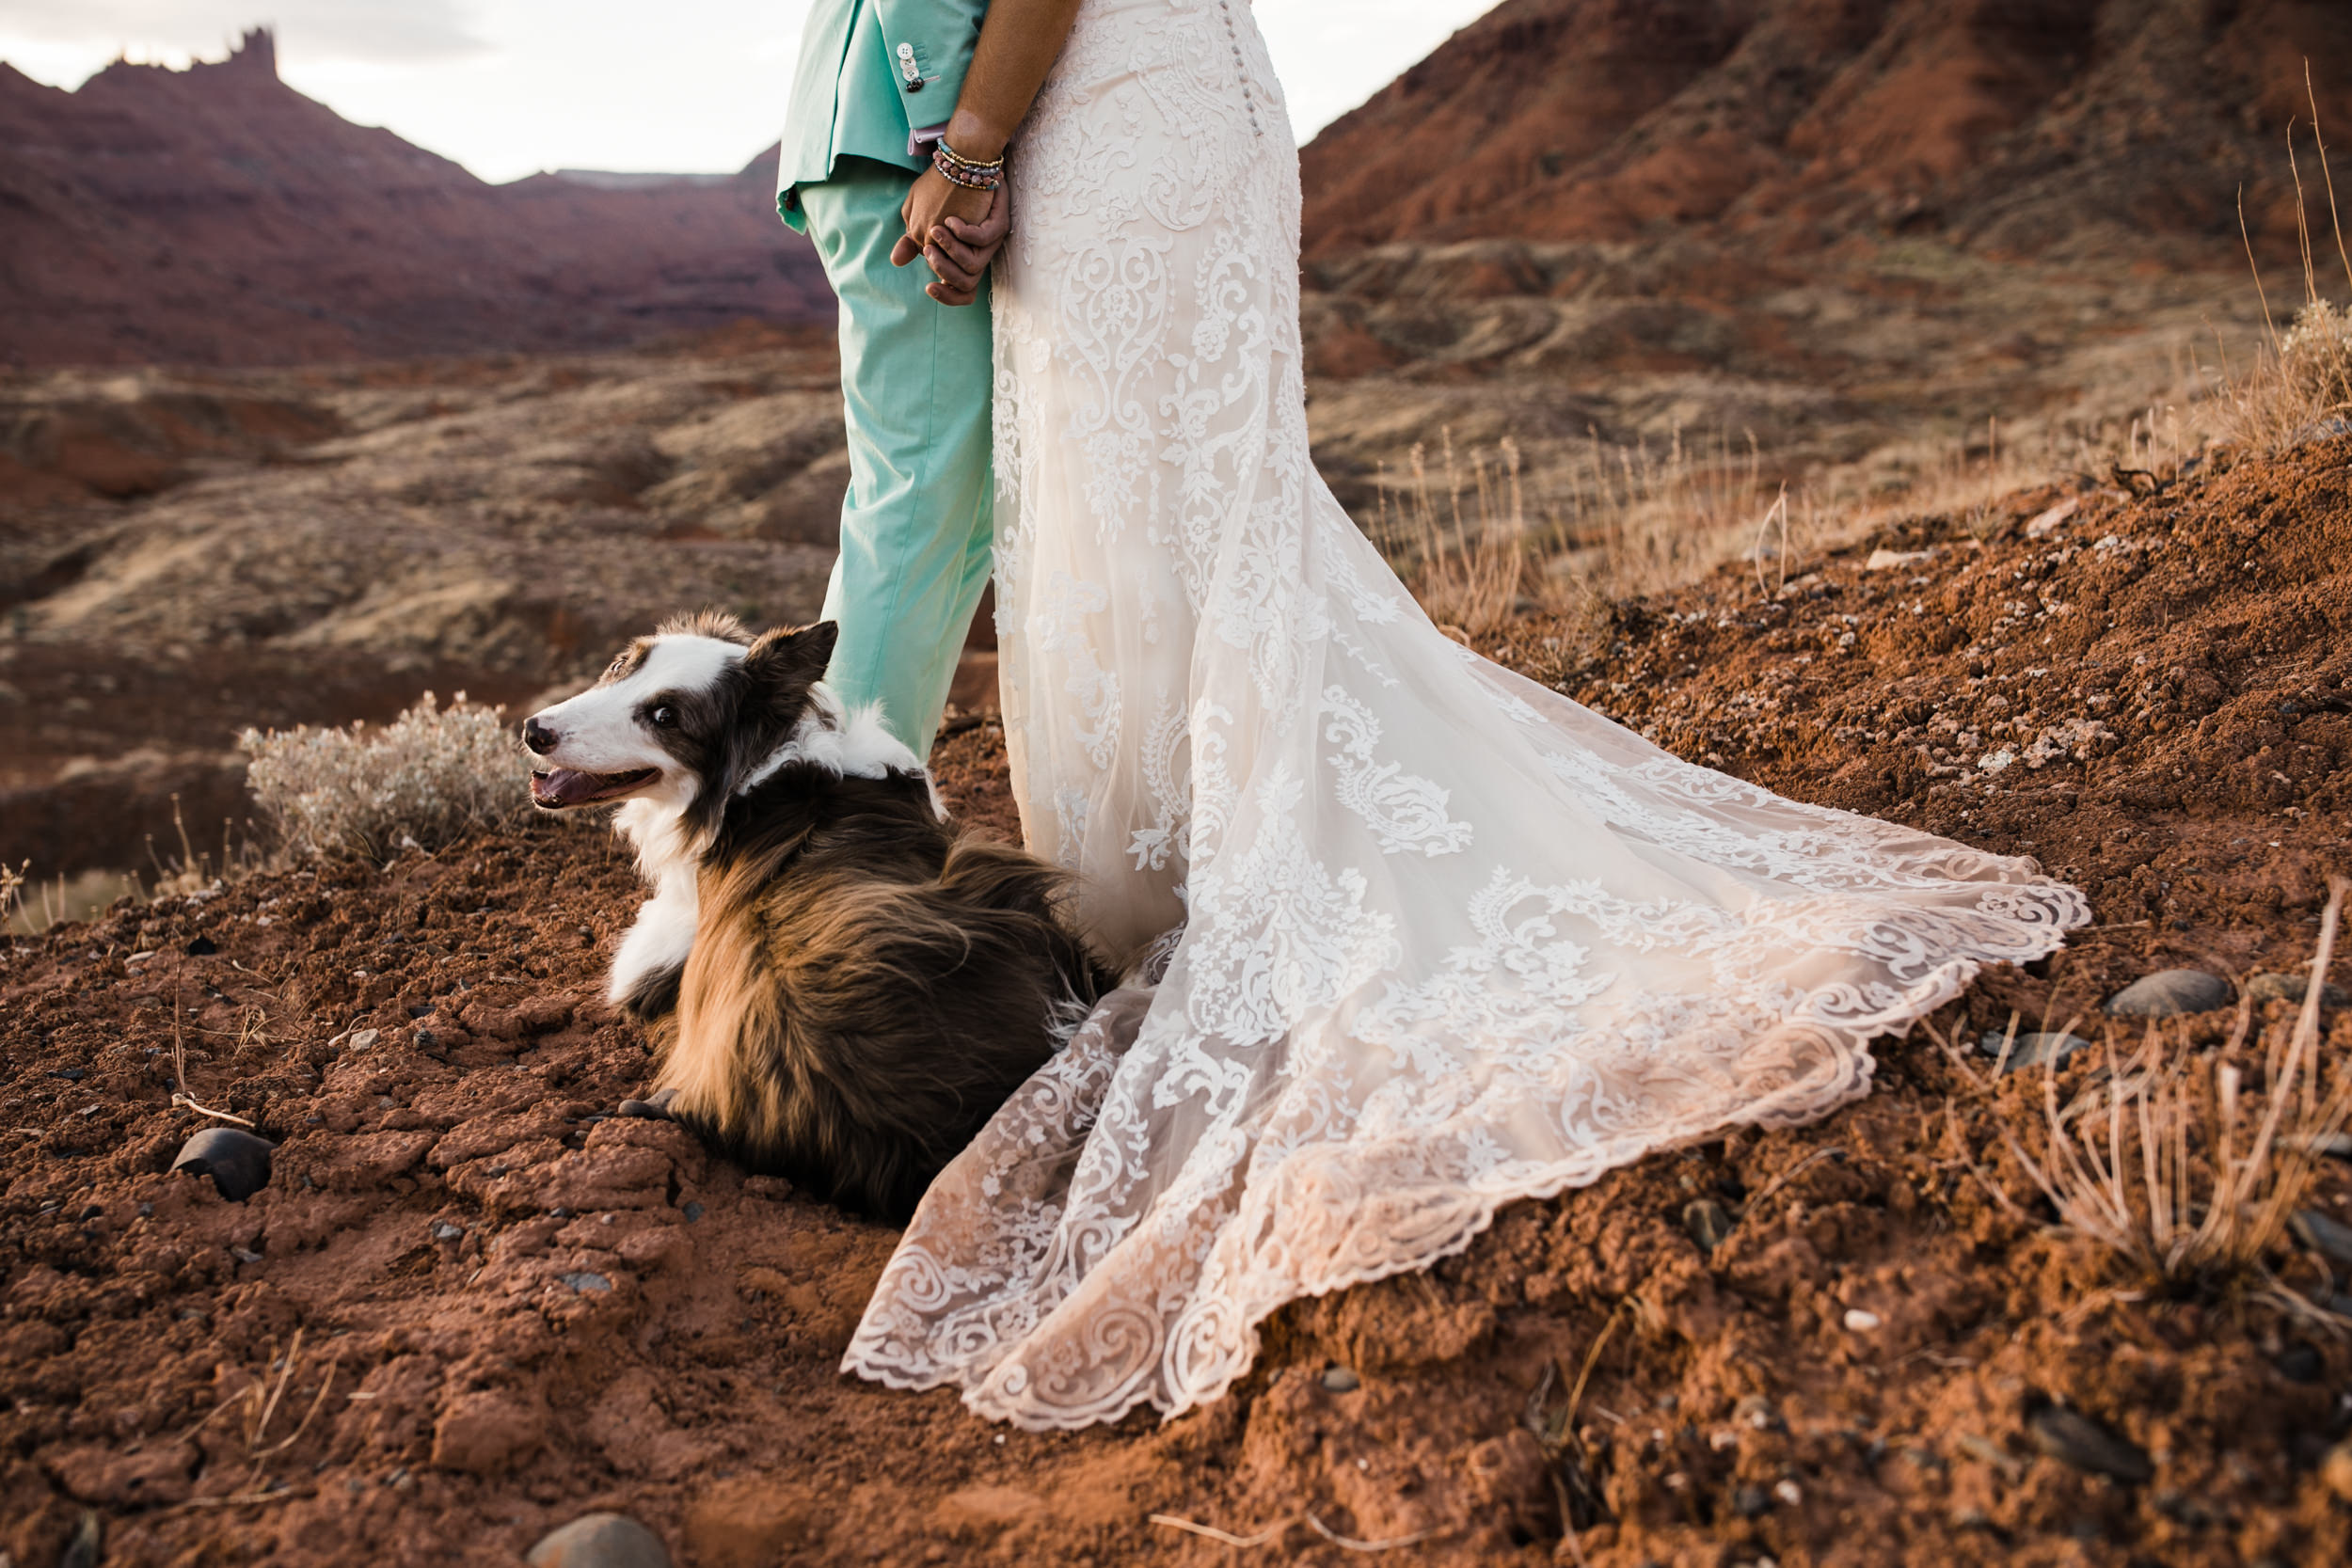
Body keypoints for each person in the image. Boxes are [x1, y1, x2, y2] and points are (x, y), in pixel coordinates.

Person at [838, 0, 2091, 1431]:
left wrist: (978, 151)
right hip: (1158, 98)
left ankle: (1227, 869)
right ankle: (1188, 858)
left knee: (1155, 507)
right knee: (1158, 505)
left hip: (1120, 113)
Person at [775, 0, 1012, 759]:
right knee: (915, 496)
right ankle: (839, 818)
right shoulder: (940, 144)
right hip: (902, 140)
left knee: (958, 510)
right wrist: (955, 148)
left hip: (880, 135)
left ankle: (881, 775)